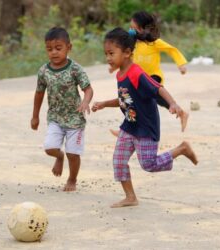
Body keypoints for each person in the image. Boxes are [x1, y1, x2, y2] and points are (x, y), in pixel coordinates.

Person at [92, 27, 198, 208]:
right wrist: (103, 104)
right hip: (129, 126)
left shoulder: (136, 73)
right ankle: (130, 197)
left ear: (126, 53)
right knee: (118, 161)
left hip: (145, 127)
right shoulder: (120, 74)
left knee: (149, 164)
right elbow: (124, 99)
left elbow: (158, 88)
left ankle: (181, 149)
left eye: (111, 53)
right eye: (106, 54)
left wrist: (172, 103)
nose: (108, 58)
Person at [31, 27, 93, 191]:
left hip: (75, 118)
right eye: (49, 49)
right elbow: (39, 93)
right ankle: (59, 156)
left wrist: (86, 101)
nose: (54, 53)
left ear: (68, 47)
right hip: (55, 118)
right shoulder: (44, 71)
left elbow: (88, 89)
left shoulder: (75, 69)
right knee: (49, 148)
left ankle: (72, 179)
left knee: (73, 154)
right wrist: (35, 116)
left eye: (58, 48)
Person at [109, 10, 189, 136]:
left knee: (141, 97)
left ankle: (127, 130)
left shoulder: (154, 42)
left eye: (134, 28)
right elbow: (124, 57)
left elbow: (172, 50)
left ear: (143, 29)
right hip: (138, 78)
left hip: (153, 76)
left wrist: (181, 64)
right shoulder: (131, 44)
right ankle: (181, 113)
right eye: (130, 28)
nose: (131, 31)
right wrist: (114, 67)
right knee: (132, 100)